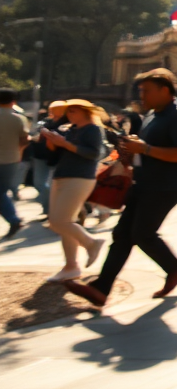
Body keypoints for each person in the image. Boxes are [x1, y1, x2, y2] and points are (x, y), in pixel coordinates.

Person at [65, 68, 177, 308]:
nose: (141, 95)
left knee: (142, 234)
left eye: (146, 91)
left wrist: (145, 149)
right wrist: (130, 149)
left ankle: (175, 268)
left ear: (164, 90)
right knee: (122, 234)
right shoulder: (153, 115)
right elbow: (147, 147)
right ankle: (101, 289)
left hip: (165, 186)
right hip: (144, 181)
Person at [36, 98, 107, 280]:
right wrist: (53, 142)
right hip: (62, 175)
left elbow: (93, 153)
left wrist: (64, 143)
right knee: (67, 222)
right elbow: (58, 153)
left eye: (73, 111)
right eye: (69, 111)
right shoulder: (71, 129)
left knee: (59, 222)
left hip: (80, 177)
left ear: (85, 112)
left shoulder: (93, 129)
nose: (69, 115)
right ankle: (71, 266)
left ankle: (92, 243)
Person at [0, 88, 30, 238]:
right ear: (13, 101)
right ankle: (13, 219)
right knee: (2, 192)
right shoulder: (19, 118)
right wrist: (19, 152)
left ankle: (14, 219)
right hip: (11, 159)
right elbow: (24, 139)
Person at [28, 100, 66, 219]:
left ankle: (53, 211)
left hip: (58, 158)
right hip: (40, 155)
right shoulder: (44, 122)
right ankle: (48, 209)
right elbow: (35, 136)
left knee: (54, 186)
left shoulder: (68, 124)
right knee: (39, 183)